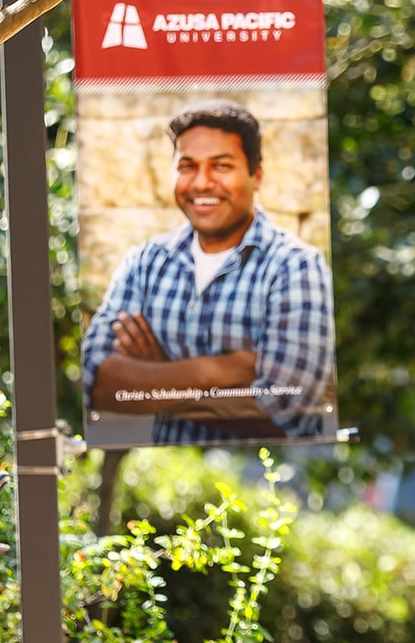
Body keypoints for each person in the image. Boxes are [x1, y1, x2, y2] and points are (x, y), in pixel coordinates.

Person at [80, 100, 335, 444]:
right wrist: (222, 370)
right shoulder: (145, 263)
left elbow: (285, 410)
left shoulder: (295, 267)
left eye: (221, 166)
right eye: (187, 166)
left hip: (269, 482)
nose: (202, 182)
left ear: (256, 175)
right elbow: (96, 384)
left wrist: (155, 376)